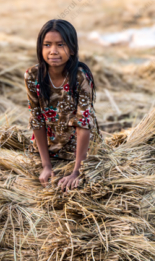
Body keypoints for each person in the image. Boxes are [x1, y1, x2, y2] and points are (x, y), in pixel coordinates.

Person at [24, 19, 101, 191]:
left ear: (72, 49)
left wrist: (77, 171)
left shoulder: (81, 78)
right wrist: (46, 165)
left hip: (78, 145)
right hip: (49, 144)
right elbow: (36, 119)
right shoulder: (32, 76)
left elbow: (83, 124)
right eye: (47, 45)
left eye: (60, 45)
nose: (53, 51)